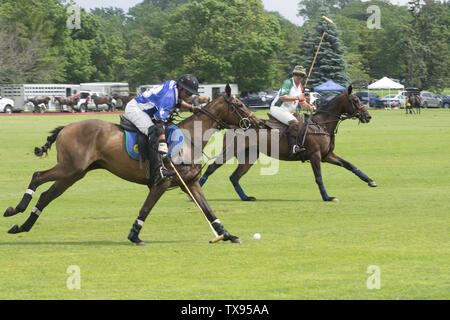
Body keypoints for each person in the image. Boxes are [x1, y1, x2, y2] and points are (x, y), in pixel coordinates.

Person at [125, 74, 202, 185]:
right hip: (136, 109)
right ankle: (158, 171)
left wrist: (191, 108)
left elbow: (178, 102)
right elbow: (159, 121)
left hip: (144, 108)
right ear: (180, 88)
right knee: (154, 133)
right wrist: (162, 142)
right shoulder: (169, 97)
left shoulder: (173, 85)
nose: (189, 96)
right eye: (188, 93)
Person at [270, 65, 316, 158]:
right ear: (293, 75)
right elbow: (282, 97)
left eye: (301, 75)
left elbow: (302, 104)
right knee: (294, 123)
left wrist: (310, 107)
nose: (299, 77)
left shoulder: (300, 87)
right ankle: (293, 148)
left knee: (302, 123)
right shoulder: (288, 83)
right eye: (297, 75)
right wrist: (297, 97)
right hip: (278, 109)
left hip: (288, 111)